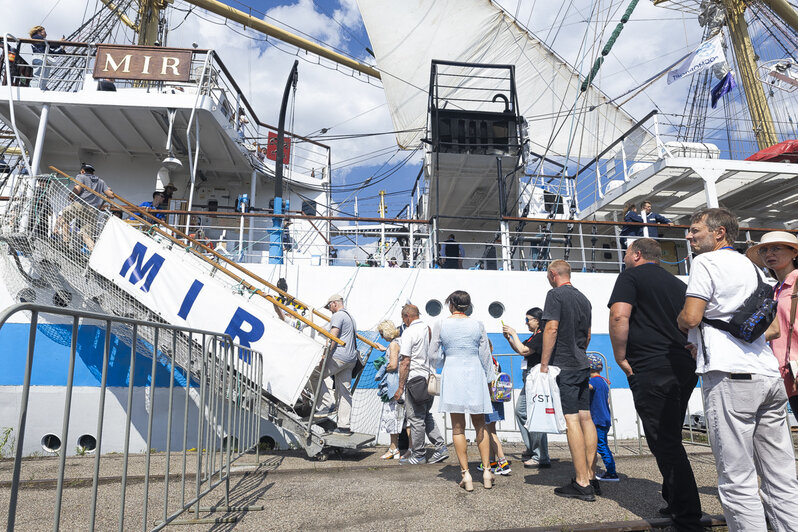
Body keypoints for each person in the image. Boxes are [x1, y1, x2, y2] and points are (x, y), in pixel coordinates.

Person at [677, 208, 798, 531]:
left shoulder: (706, 262)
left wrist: (684, 323)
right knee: (781, 475)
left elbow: (690, 317)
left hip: (730, 376)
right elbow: (772, 331)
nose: (689, 236)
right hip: (768, 376)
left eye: (694, 230)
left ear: (719, 233)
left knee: (737, 477)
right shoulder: (757, 269)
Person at [609, 237, 703, 530]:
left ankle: (688, 516)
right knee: (670, 434)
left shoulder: (630, 276)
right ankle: (674, 500)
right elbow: (693, 321)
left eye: (626, 253)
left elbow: (618, 315)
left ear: (636, 255)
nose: (624, 258)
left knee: (665, 441)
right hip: (682, 365)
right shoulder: (678, 284)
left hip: (651, 366)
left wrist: (620, 356)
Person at [540, 259, 597, 501]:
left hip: (564, 364)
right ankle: (592, 476)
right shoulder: (584, 298)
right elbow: (588, 334)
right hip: (582, 363)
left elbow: (551, 328)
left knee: (571, 418)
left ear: (553, 274)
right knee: (586, 417)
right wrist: (579, 353)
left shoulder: (555, 295)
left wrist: (544, 364)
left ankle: (582, 482)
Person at [431, 290, 494, 490]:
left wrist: (446, 359)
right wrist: (490, 379)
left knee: (458, 427)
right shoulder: (478, 324)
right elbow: (485, 355)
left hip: (453, 372)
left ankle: (466, 475)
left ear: (451, 304)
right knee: (480, 424)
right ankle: (486, 472)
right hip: (475, 372)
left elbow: (433, 355)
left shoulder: (441, 324)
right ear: (468, 306)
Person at [746, 231, 798, 421]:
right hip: (786, 374)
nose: (769, 254)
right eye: (765, 250)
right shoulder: (774, 290)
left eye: (776, 248)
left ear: (794, 253)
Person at [393, 304, 448, 465]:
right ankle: (440, 448)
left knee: (416, 418)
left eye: (403, 318)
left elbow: (405, 361)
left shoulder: (409, 332)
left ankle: (418, 455)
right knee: (425, 415)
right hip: (429, 379)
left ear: (407, 316)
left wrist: (400, 387)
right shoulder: (428, 329)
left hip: (415, 379)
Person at [502, 307, 551, 469]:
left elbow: (523, 350)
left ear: (537, 320)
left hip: (536, 378)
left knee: (535, 416)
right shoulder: (534, 337)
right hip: (530, 378)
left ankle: (541, 456)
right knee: (521, 411)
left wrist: (514, 334)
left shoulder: (541, 336)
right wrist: (510, 339)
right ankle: (532, 448)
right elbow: (520, 350)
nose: (526, 323)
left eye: (528, 319)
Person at [319, 294, 359, 434]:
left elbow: (333, 337)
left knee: (313, 375)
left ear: (334, 303)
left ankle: (326, 403)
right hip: (351, 359)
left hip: (339, 357)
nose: (329, 310)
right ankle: (344, 426)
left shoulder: (337, 316)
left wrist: (325, 356)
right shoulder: (350, 317)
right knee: (345, 392)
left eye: (329, 306)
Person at [54, 163, 114, 252]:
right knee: (87, 236)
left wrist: (71, 196)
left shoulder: (81, 176)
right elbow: (111, 195)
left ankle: (65, 243)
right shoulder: (101, 181)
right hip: (92, 210)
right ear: (92, 173)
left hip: (80, 205)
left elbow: (77, 189)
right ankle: (93, 253)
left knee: (64, 218)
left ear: (82, 171)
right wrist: (109, 190)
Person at [375, 320, 405, 459]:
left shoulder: (393, 344)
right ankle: (403, 449)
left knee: (391, 416)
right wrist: (384, 349)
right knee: (403, 419)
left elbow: (393, 365)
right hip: (401, 383)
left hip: (393, 385)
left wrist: (381, 369)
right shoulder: (399, 341)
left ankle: (393, 448)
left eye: (382, 333)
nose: (381, 337)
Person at [587, 355, 617, 483]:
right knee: (602, 445)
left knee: (601, 446)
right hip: (604, 418)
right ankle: (610, 471)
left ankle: (612, 473)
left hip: (598, 419)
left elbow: (588, 388)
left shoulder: (593, 382)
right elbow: (607, 400)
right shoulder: (603, 382)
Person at [480, 352, 511, 475]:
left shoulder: (485, 362)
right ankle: (491, 462)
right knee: (490, 429)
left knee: (490, 432)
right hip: (497, 400)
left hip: (488, 401)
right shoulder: (495, 362)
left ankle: (503, 462)